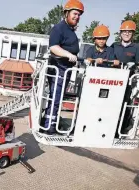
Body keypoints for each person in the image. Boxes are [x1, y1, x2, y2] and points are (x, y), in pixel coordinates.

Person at [42, 0, 85, 135]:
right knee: (55, 97)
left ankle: (49, 122)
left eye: (79, 15)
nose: (77, 17)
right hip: (58, 67)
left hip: (65, 70)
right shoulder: (59, 28)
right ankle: (49, 126)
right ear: (66, 13)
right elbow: (53, 47)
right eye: (75, 13)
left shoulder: (70, 30)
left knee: (58, 98)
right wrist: (68, 54)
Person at [111, 20, 139, 135]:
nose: (126, 34)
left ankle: (118, 130)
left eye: (129, 32)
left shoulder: (136, 48)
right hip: (112, 80)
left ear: (133, 34)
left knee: (123, 104)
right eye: (124, 31)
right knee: (109, 102)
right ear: (120, 33)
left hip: (127, 82)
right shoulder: (114, 46)